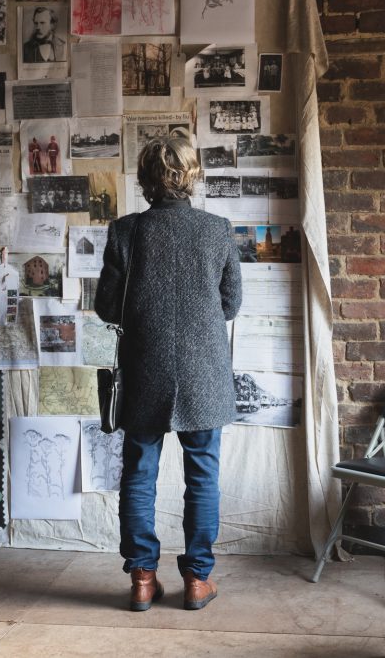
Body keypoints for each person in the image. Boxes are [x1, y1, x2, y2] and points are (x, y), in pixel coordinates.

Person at [95, 137, 242, 613]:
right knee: (203, 476)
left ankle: (142, 579)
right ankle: (198, 581)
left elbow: (106, 307)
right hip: (204, 372)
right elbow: (231, 304)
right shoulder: (218, 230)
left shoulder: (125, 232)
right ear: (192, 176)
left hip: (145, 368)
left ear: (145, 180)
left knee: (139, 473)